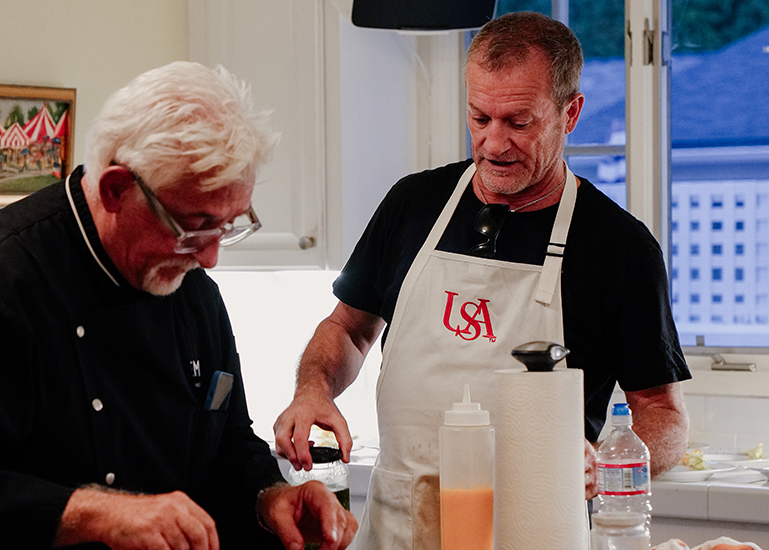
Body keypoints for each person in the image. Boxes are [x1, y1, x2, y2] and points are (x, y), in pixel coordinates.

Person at [274, 11, 690, 549]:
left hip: (535, 532)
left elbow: (663, 416)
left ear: (571, 113)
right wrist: (312, 391)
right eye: (479, 118)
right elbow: (349, 330)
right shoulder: (413, 204)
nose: (494, 144)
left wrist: (605, 463)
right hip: (399, 530)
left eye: (518, 123)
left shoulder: (618, 247)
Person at [0, 61, 356, 550]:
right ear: (115, 190)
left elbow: (226, 443)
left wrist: (269, 498)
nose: (209, 258)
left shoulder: (188, 288)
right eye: (194, 226)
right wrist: (96, 512)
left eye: (228, 226)